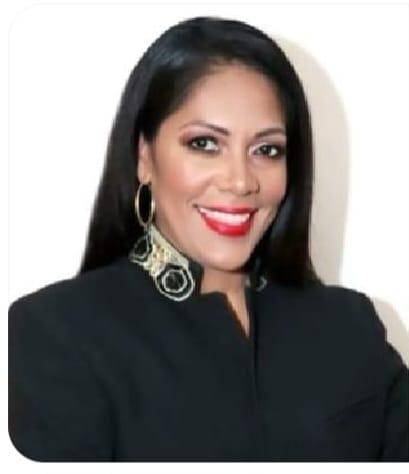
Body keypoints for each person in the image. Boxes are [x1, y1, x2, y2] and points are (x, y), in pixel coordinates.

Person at [8, 15, 408, 462]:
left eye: (266, 150)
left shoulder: (350, 326)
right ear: (144, 156)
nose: (240, 181)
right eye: (204, 144)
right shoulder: (55, 334)